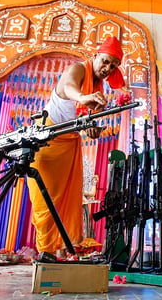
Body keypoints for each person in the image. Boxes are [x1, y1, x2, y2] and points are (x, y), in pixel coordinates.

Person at [26, 36, 125, 261]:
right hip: (46, 140)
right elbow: (69, 87)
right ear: (96, 56)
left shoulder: (98, 90)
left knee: (67, 200)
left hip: (69, 143)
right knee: (45, 198)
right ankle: (46, 251)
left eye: (113, 66)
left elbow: (83, 122)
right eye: (106, 61)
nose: (108, 68)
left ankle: (61, 251)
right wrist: (83, 96)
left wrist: (92, 129)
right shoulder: (78, 69)